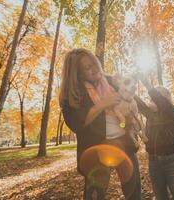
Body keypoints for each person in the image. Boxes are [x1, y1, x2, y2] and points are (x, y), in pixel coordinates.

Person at [59, 48, 141, 200]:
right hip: (97, 148)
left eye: (94, 64)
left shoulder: (110, 81)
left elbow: (130, 98)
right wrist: (102, 104)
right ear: (78, 74)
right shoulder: (72, 93)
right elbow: (76, 124)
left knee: (133, 191)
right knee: (95, 194)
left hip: (124, 143)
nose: (95, 69)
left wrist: (130, 116)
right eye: (88, 68)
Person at [134, 75, 174, 200]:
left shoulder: (171, 111)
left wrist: (148, 85)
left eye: (157, 96)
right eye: (153, 97)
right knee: (160, 197)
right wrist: (126, 87)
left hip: (172, 161)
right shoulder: (150, 114)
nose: (153, 99)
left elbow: (162, 104)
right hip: (153, 162)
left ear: (164, 98)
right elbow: (138, 103)